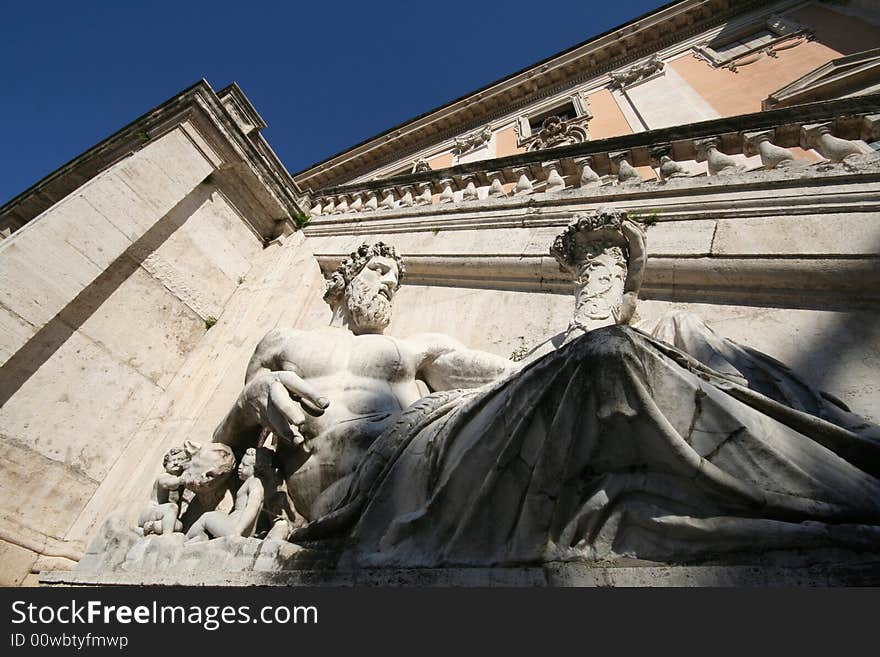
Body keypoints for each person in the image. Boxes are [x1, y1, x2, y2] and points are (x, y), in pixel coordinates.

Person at [212, 242, 516, 523]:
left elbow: (513, 378)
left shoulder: (414, 349)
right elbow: (224, 451)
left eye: (394, 282)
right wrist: (245, 403)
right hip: (302, 508)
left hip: (396, 494)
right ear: (345, 279)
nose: (389, 284)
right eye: (379, 271)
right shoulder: (283, 342)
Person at [185, 447, 265, 543]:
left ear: (256, 468)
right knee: (210, 519)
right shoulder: (250, 482)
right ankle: (198, 539)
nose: (240, 467)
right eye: (241, 463)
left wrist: (238, 532)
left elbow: (252, 507)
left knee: (206, 517)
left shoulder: (255, 482)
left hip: (234, 527)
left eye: (245, 465)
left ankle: (184, 541)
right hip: (233, 525)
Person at [137, 446, 191, 536]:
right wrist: (181, 480)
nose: (176, 463)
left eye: (180, 459)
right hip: (151, 512)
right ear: (165, 464)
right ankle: (167, 537)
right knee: (172, 507)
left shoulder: (179, 479)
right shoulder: (164, 476)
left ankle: (152, 526)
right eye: (171, 460)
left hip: (162, 517)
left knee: (179, 526)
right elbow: (167, 483)